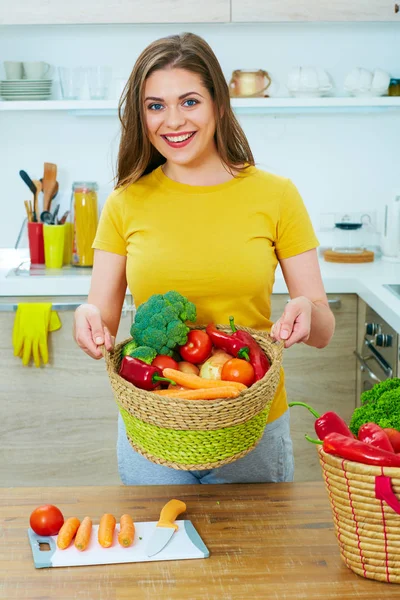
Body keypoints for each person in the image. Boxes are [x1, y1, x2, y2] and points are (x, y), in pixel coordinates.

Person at [74, 32, 335, 486]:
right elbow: (103, 318)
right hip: (157, 428)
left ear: (218, 102)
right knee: (156, 556)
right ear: (141, 115)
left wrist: (306, 312)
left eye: (189, 101)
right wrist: (87, 318)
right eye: (155, 106)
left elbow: (324, 329)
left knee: (258, 558)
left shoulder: (276, 196)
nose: (172, 121)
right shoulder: (124, 202)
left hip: (252, 425)